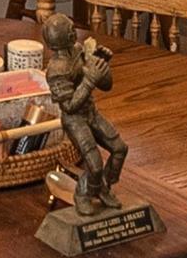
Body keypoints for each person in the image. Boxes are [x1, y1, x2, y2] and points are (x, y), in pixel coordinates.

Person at [37, 12, 128, 214]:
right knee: (94, 164)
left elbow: (106, 85)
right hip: (75, 120)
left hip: (90, 112)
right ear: (62, 38)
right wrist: (89, 81)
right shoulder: (56, 70)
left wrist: (99, 63)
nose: (74, 32)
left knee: (120, 148)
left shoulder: (78, 50)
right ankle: (83, 193)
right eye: (71, 30)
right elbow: (69, 106)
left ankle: (104, 186)